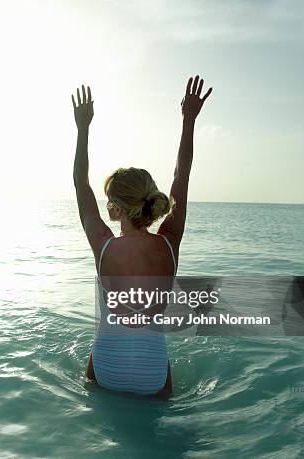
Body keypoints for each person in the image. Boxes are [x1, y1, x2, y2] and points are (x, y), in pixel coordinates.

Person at [71, 76, 212, 396]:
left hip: (106, 370)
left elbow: (80, 182)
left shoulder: (104, 246)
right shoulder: (169, 241)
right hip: (152, 375)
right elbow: (182, 174)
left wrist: (83, 129)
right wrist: (188, 119)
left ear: (117, 209)